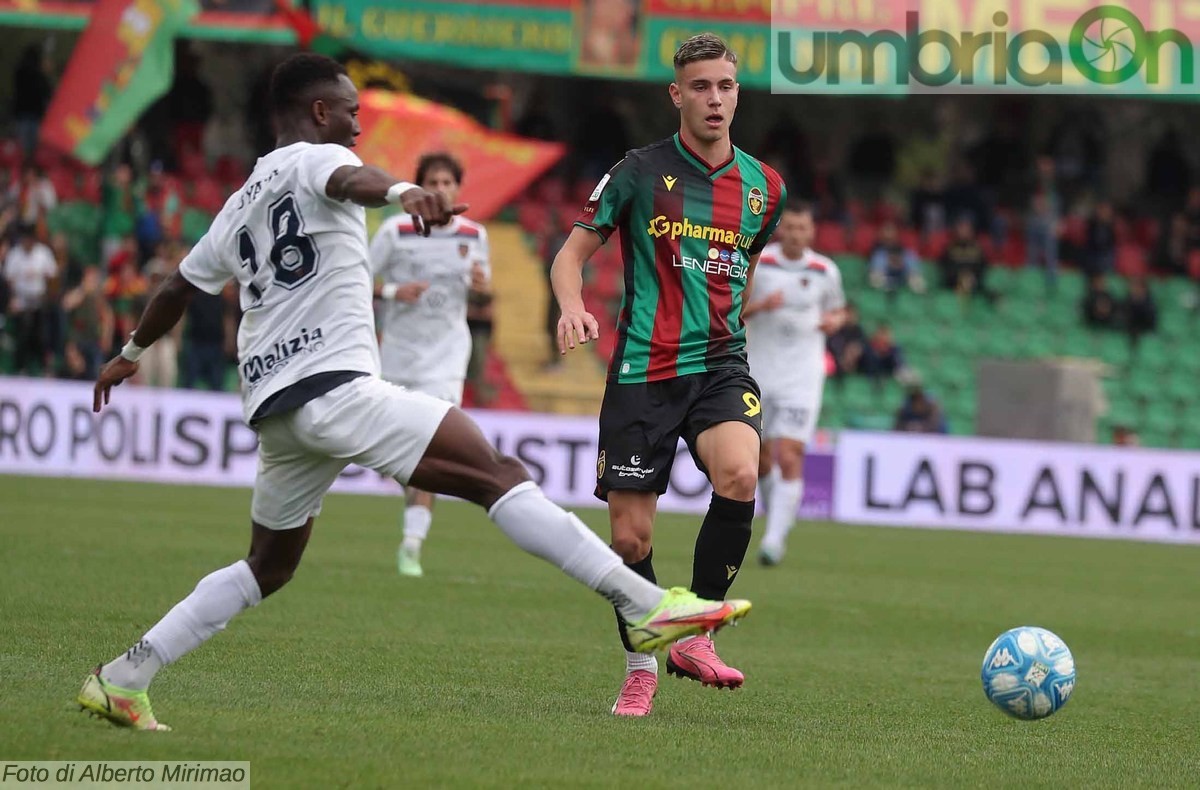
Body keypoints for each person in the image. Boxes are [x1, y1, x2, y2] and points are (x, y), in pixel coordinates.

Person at [78, 53, 750, 733]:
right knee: (499, 475)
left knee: (267, 566)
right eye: (350, 110)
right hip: (334, 389)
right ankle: (646, 605)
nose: (357, 123)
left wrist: (129, 353)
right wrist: (406, 194)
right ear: (318, 113)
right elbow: (353, 178)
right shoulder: (315, 158)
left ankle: (125, 676)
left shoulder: (240, 199)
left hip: (274, 408)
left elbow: (176, 289)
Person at [551, 34, 785, 717]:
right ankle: (639, 667)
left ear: (737, 94)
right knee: (631, 540)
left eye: (726, 86)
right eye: (702, 86)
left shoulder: (764, 187)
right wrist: (573, 308)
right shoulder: (637, 172)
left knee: (741, 473)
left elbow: (742, 268)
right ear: (676, 94)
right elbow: (571, 255)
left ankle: (699, 633)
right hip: (643, 371)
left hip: (719, 364)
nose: (715, 98)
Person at [369, 152, 491, 578]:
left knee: (429, 449)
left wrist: (481, 289)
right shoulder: (394, 230)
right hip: (398, 355)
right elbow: (357, 280)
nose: (440, 190)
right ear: (420, 188)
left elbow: (481, 293)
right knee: (397, 454)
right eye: (432, 182)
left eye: (447, 183)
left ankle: (411, 544)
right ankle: (409, 514)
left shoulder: (474, 234)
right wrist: (393, 292)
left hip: (446, 360)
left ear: (457, 189)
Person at [743, 203, 845, 567]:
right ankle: (777, 514)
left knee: (790, 454)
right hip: (757, 371)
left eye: (804, 228)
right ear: (780, 230)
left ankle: (773, 539)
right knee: (758, 458)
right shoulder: (760, 263)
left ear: (812, 232)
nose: (797, 234)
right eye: (791, 227)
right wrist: (760, 306)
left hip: (802, 376)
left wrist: (834, 321)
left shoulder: (825, 271)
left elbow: (838, 310)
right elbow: (733, 311)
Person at [3, 224, 58, 374]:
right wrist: (13, 298)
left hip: (39, 299)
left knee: (41, 335)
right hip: (21, 300)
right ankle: (21, 367)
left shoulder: (43, 253)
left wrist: (47, 294)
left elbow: (52, 275)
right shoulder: (15, 255)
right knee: (22, 335)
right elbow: (9, 280)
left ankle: (43, 367)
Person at [868, 221, 924, 295]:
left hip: (904, 280)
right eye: (886, 239)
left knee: (917, 280)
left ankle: (918, 301)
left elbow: (915, 273)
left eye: (891, 238)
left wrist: (909, 274)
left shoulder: (908, 254)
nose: (889, 242)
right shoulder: (879, 255)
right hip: (886, 282)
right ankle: (882, 298)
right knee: (876, 278)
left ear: (896, 237)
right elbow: (876, 274)